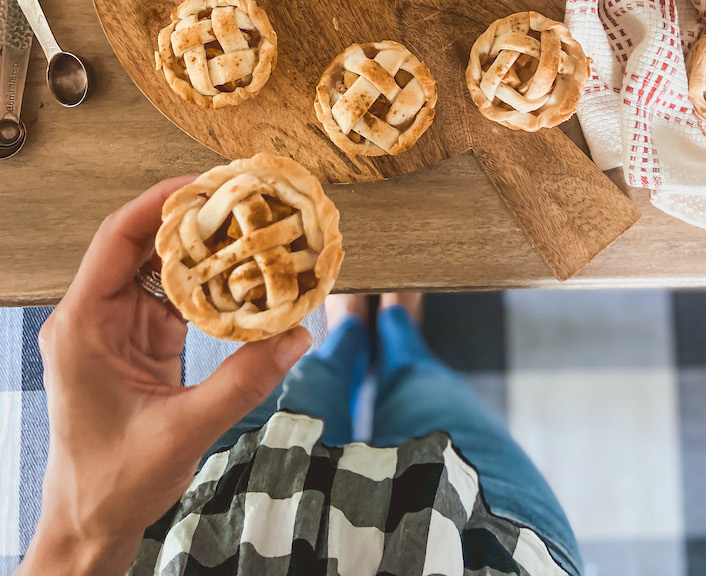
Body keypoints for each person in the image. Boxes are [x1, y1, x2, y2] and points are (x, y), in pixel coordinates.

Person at [17, 178, 582, 576]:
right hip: (471, 538)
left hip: (220, 503)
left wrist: (82, 536)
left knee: (309, 382)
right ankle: (395, 331)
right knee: (425, 389)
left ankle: (351, 334)